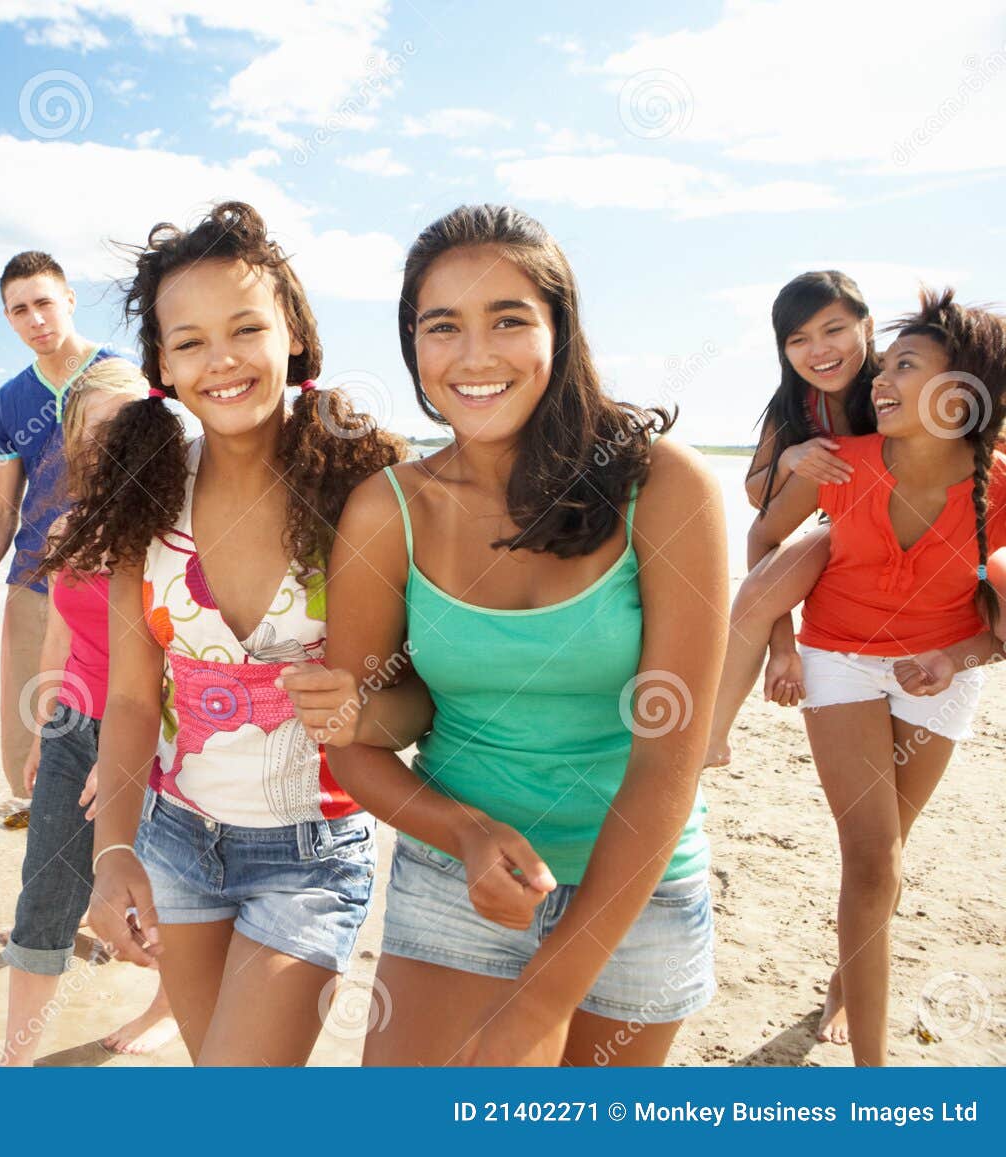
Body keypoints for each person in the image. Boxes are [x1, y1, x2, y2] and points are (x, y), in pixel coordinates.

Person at [288, 204, 727, 1066]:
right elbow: (359, 745)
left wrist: (543, 1000)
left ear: (560, 331)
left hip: (640, 893)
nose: (475, 355)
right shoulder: (388, 508)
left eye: (509, 320)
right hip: (454, 882)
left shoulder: (667, 488)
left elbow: (668, 757)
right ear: (413, 345)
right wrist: (462, 830)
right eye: (442, 325)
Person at [44, 202, 405, 1065]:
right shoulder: (145, 496)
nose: (224, 360)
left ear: (295, 336)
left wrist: (366, 702)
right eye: (192, 340)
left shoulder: (365, 485)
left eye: (247, 328)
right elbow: (133, 699)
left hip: (314, 851)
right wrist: (113, 852)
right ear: (162, 364)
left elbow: (421, 680)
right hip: (176, 838)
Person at [746, 288, 1006, 1063]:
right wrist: (783, 645)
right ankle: (872, 1076)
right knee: (871, 854)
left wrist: (954, 658)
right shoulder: (841, 461)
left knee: (892, 842)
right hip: (838, 655)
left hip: (943, 664)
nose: (881, 381)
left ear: (962, 394)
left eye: (906, 366)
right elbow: (762, 534)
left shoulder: (999, 481)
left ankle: (844, 978)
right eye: (884, 364)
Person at [0, 357, 175, 1064]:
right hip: (76, 724)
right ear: (73, 439)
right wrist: (48, 728)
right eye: (99, 431)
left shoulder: (175, 529)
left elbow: (184, 654)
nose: (114, 445)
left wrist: (123, 756)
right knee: (45, 886)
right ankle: (15, 1058)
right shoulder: (68, 523)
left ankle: (168, 1006)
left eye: (133, 427)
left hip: (163, 731)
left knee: (163, 893)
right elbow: (62, 636)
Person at [0, 252, 124, 823]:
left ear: (69, 299)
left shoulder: (121, 377)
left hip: (112, 580)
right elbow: (5, 502)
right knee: (28, 726)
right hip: (32, 575)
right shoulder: (11, 399)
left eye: (44, 302)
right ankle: (46, 855)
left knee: (114, 722)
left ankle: (116, 857)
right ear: (8, 319)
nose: (35, 319)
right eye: (19, 310)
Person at [704, 271, 879, 769]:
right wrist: (789, 459)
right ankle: (713, 737)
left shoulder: (896, 385)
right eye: (798, 339)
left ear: (867, 326)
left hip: (912, 526)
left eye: (834, 329)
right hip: (838, 524)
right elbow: (757, 497)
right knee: (758, 586)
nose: (818, 350)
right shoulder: (794, 407)